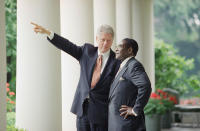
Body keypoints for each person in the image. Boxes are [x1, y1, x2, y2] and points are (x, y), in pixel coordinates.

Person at [31, 22, 120, 131]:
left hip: (102, 114)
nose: (105, 43)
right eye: (103, 40)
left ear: (112, 41)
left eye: (109, 40)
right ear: (97, 39)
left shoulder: (116, 61)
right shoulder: (87, 51)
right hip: (82, 110)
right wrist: (48, 33)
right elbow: (67, 46)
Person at [108, 38, 152, 131]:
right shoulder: (123, 65)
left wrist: (135, 110)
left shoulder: (133, 65)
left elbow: (145, 86)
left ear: (129, 50)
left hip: (127, 124)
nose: (116, 49)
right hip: (117, 123)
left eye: (119, 46)